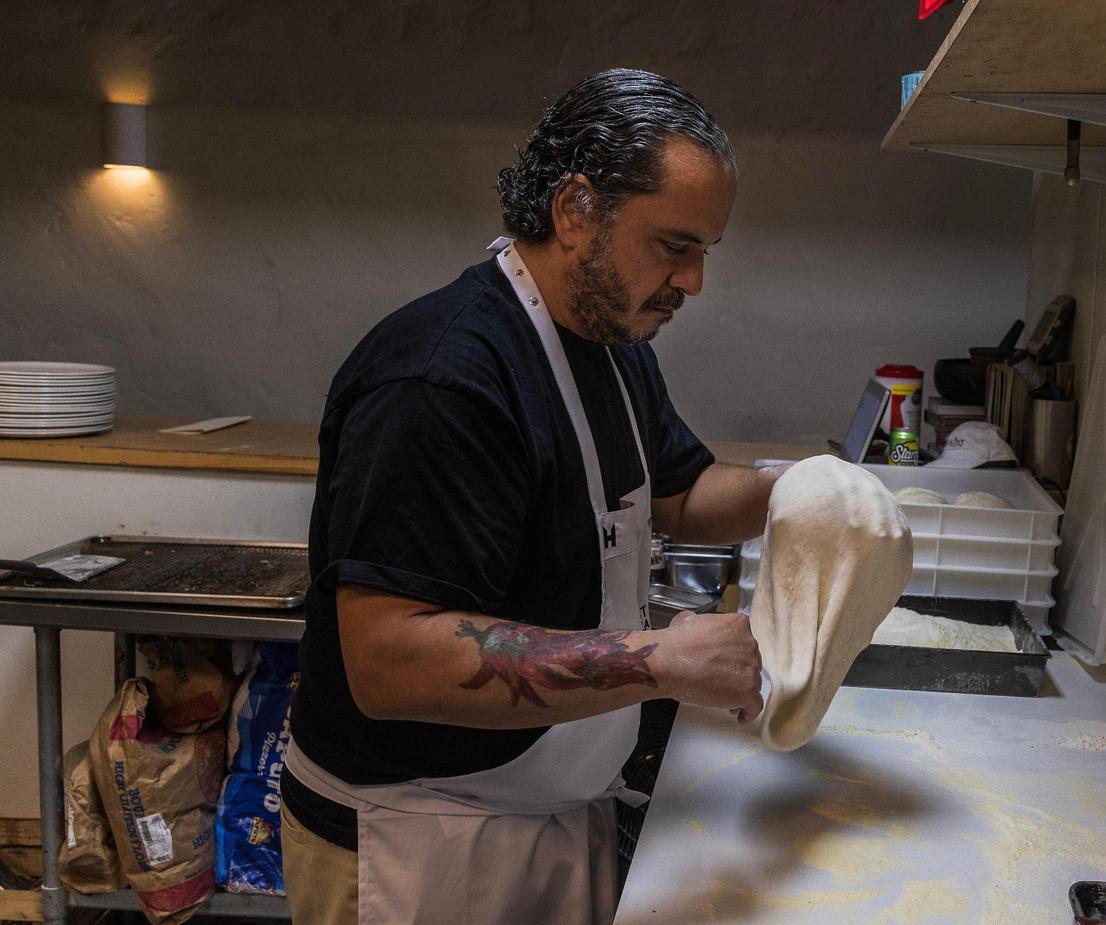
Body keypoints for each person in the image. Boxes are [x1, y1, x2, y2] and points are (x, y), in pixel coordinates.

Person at [282, 67, 784, 925]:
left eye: (704, 251)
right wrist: (657, 660)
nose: (693, 281)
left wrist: (804, 494)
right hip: (421, 832)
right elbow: (391, 657)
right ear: (575, 209)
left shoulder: (615, 344)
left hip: (552, 800)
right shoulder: (443, 378)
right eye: (674, 245)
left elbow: (681, 489)